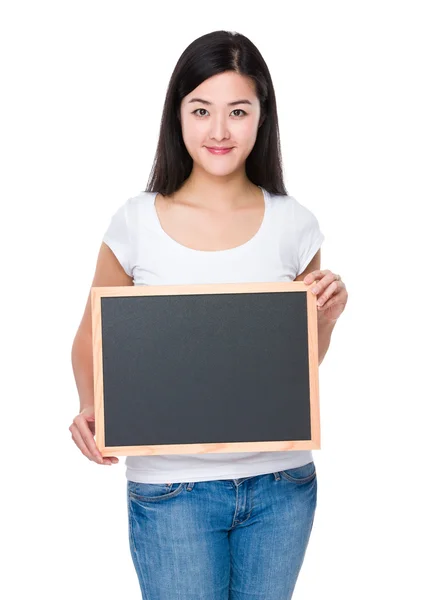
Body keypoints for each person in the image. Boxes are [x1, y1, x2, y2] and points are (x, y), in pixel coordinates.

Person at [70, 29, 348, 600]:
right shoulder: (136, 221)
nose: (219, 131)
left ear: (261, 118)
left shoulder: (295, 224)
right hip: (173, 490)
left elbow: (298, 362)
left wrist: (327, 315)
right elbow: (91, 340)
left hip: (282, 484)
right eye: (202, 110)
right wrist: (92, 409)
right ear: (178, 116)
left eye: (237, 112)